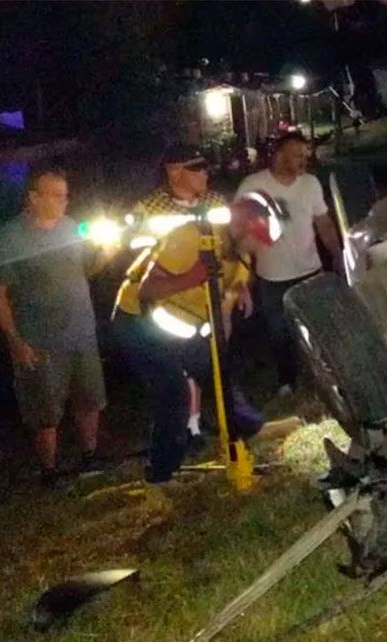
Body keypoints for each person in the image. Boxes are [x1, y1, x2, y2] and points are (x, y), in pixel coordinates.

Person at [112, 192, 275, 484]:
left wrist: (238, 294)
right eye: (258, 240)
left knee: (217, 373)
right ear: (243, 224)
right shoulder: (190, 238)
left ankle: (249, 428)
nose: (261, 250)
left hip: (180, 327)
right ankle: (161, 475)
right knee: (175, 392)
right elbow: (147, 290)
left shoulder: (240, 257)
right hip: (138, 322)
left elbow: (228, 295)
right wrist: (193, 276)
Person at [0, 167, 116, 485]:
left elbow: (87, 269)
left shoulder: (71, 228)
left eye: (66, 195)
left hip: (81, 332)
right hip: (40, 338)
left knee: (89, 398)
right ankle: (49, 469)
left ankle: (90, 456)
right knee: (45, 410)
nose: (64, 201)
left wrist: (107, 253)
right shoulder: (12, 238)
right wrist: (14, 339)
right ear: (34, 198)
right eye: (56, 195)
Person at [129, 145, 253, 444]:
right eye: (196, 168)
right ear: (174, 172)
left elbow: (229, 248)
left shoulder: (214, 202)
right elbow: (136, 257)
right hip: (173, 305)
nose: (205, 173)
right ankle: (188, 427)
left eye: (204, 167)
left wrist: (241, 284)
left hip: (215, 300)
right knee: (184, 365)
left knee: (214, 361)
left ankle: (217, 422)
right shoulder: (147, 208)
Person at [236, 131, 342, 396]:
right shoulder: (253, 185)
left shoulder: (311, 184)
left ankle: (327, 379)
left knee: (318, 328)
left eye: (305, 156)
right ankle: (287, 379)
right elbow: (236, 228)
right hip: (272, 276)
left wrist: (339, 254)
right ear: (279, 155)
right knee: (279, 332)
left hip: (310, 270)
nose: (303, 161)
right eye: (297, 155)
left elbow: (324, 223)